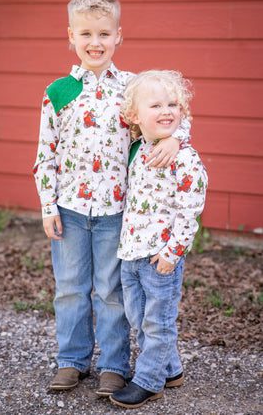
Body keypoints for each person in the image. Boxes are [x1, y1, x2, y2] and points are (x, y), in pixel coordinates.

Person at [33, 0, 190, 396]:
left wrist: (178, 138)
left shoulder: (131, 88)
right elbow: (45, 155)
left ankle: (113, 365)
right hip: (68, 209)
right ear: (71, 36)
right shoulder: (59, 92)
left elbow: (167, 113)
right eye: (86, 33)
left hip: (116, 212)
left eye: (104, 33)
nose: (95, 42)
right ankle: (71, 360)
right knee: (69, 288)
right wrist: (48, 205)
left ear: (119, 35)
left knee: (110, 292)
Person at [110, 70, 208, 408]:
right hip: (132, 252)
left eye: (173, 104)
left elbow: (190, 212)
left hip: (160, 258)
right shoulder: (139, 147)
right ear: (135, 116)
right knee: (139, 319)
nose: (167, 110)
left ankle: (149, 381)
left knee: (157, 322)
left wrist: (173, 253)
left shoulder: (185, 159)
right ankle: (172, 369)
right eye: (156, 105)